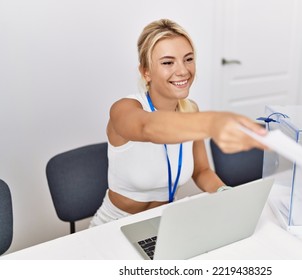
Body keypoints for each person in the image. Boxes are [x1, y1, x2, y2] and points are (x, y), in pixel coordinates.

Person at [89, 18, 268, 227]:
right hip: (113, 226)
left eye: (188, 59)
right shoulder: (124, 109)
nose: (183, 70)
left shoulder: (191, 110)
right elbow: (147, 127)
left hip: (163, 223)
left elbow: (202, 171)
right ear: (146, 72)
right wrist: (212, 123)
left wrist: (224, 193)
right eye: (167, 62)